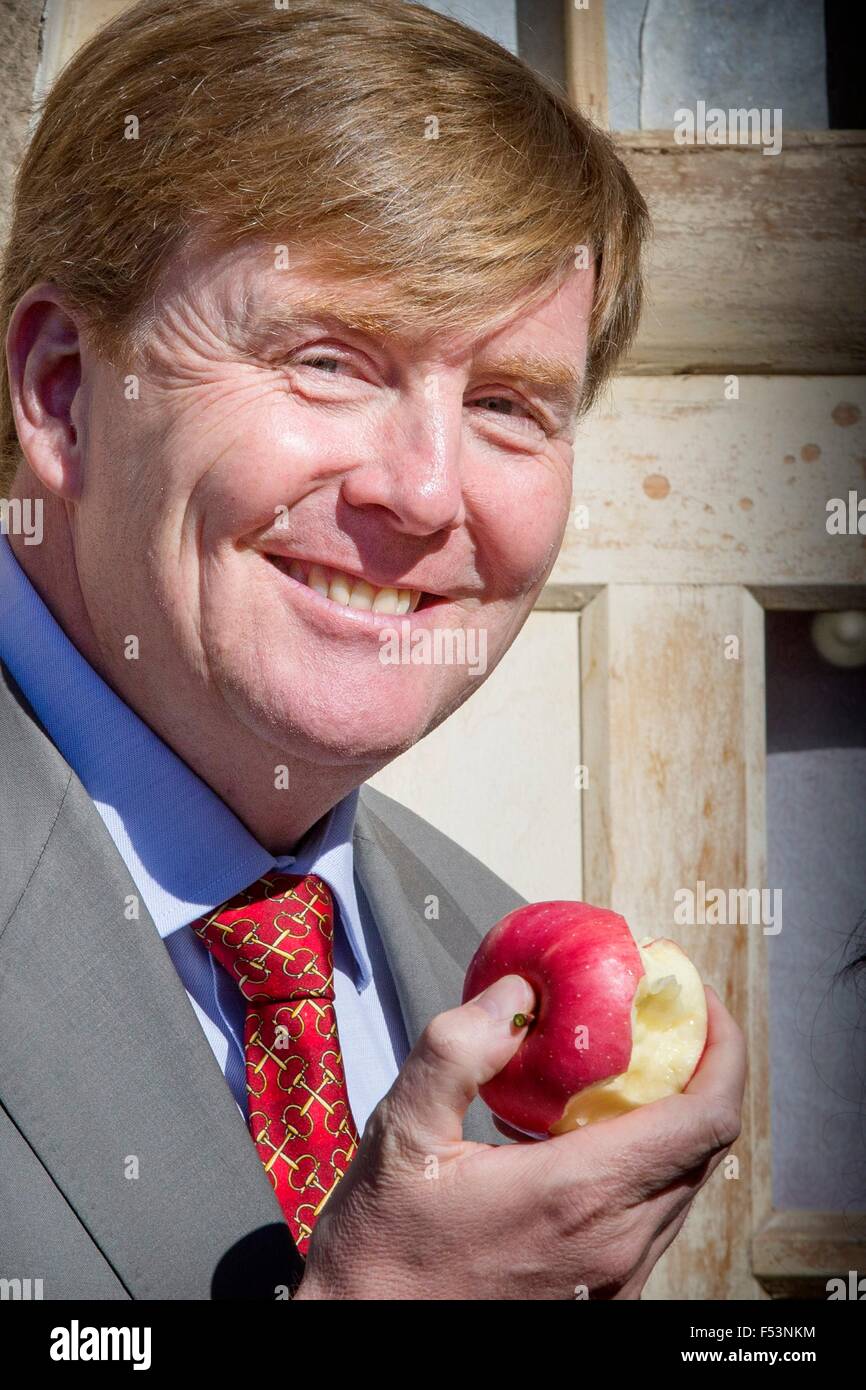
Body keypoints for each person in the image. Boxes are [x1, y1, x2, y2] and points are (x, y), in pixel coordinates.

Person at [0, 0, 744, 1300]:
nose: (425, 492)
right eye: (330, 360)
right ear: (65, 386)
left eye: (509, 406)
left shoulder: (497, 961)